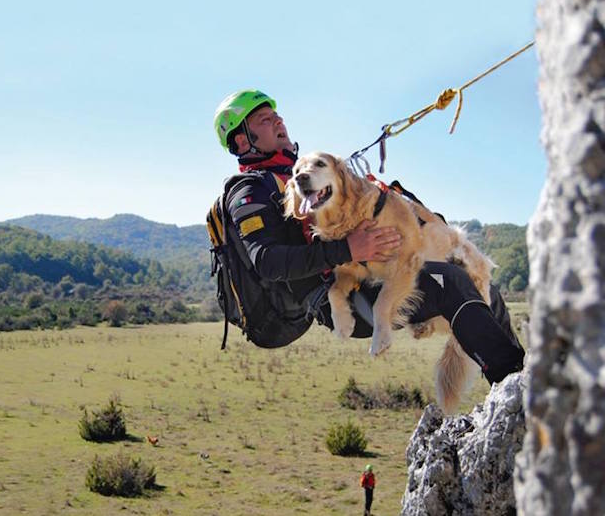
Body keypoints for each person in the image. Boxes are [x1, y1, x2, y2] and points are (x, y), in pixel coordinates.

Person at [213, 89, 525, 384]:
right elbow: (267, 262)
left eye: (277, 116)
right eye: (265, 120)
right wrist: (347, 249)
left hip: (376, 273)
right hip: (344, 297)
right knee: (452, 281)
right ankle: (514, 389)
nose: (279, 121)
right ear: (242, 141)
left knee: (486, 290)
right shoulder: (249, 191)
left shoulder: (313, 176)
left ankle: (519, 379)